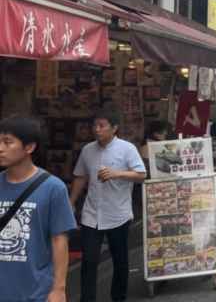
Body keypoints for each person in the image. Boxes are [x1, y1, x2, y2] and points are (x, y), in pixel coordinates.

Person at [69, 104, 146, 302]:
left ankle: (118, 297)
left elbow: (141, 174)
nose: (97, 130)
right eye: (95, 126)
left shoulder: (127, 149)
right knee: (89, 260)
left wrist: (117, 173)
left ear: (114, 128)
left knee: (120, 260)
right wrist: (72, 201)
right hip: (91, 213)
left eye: (102, 126)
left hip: (117, 214)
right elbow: (80, 176)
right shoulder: (87, 150)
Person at [0, 117, 76, 302]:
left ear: (29, 147)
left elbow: (59, 239)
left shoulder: (53, 188)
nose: (0, 148)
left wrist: (59, 289)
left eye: (7, 142)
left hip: (35, 291)